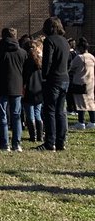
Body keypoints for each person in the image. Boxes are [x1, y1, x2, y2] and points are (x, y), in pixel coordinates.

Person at [0, 27, 26, 151]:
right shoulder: (22, 52)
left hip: (0, 86)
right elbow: (25, 71)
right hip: (17, 86)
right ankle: (17, 143)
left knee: (1, 115)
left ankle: (4, 143)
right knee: (16, 115)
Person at [39, 17, 71, 151]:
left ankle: (50, 142)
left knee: (50, 111)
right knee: (61, 111)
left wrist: (44, 76)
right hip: (64, 78)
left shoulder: (49, 41)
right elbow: (68, 61)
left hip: (53, 79)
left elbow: (47, 61)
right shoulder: (65, 41)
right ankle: (61, 141)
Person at [68, 38, 95, 129]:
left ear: (80, 48)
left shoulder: (79, 57)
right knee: (91, 102)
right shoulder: (92, 57)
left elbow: (71, 68)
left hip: (80, 82)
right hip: (90, 82)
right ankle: (92, 121)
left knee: (80, 103)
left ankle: (81, 122)